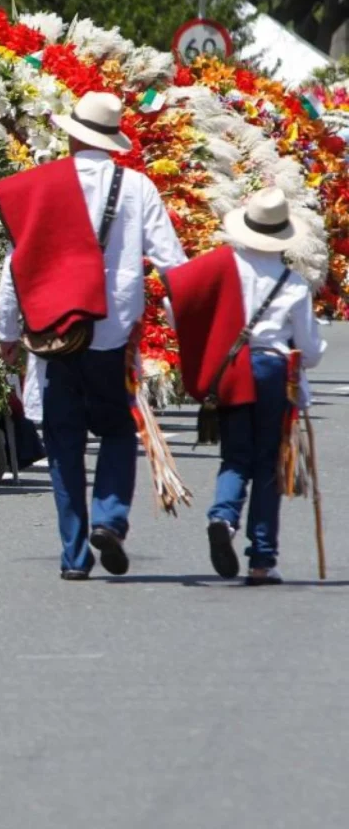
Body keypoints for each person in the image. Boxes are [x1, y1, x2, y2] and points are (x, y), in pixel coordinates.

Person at [0, 91, 187, 580]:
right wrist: (189, 324)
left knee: (63, 444)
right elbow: (172, 264)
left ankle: (74, 555)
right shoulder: (138, 188)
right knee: (119, 430)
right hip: (113, 331)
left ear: (72, 134)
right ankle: (110, 519)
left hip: (55, 330)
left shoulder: (43, 186)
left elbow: (16, 264)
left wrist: (7, 330)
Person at [164, 188, 326, 585]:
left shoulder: (221, 266)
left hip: (231, 369)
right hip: (272, 370)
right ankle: (261, 558)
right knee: (270, 464)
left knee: (235, 457)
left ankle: (223, 515)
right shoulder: (292, 283)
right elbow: (309, 348)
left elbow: (175, 305)